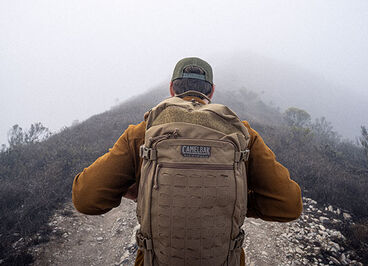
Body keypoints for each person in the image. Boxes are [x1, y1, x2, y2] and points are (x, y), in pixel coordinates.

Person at [72, 57, 303, 266]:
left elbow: (86, 199)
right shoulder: (244, 135)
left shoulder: (142, 133)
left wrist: (145, 193)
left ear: (172, 88)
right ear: (211, 92)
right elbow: (289, 206)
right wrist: (232, 202)